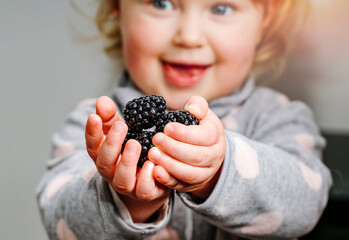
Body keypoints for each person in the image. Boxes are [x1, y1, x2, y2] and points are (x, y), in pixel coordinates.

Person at [36, 0, 333, 239]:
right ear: (117, 10)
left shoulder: (279, 117)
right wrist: (128, 199)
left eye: (220, 8)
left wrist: (219, 171)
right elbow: (60, 224)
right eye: (162, 3)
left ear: (265, 18)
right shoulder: (95, 127)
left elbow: (304, 207)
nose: (189, 37)